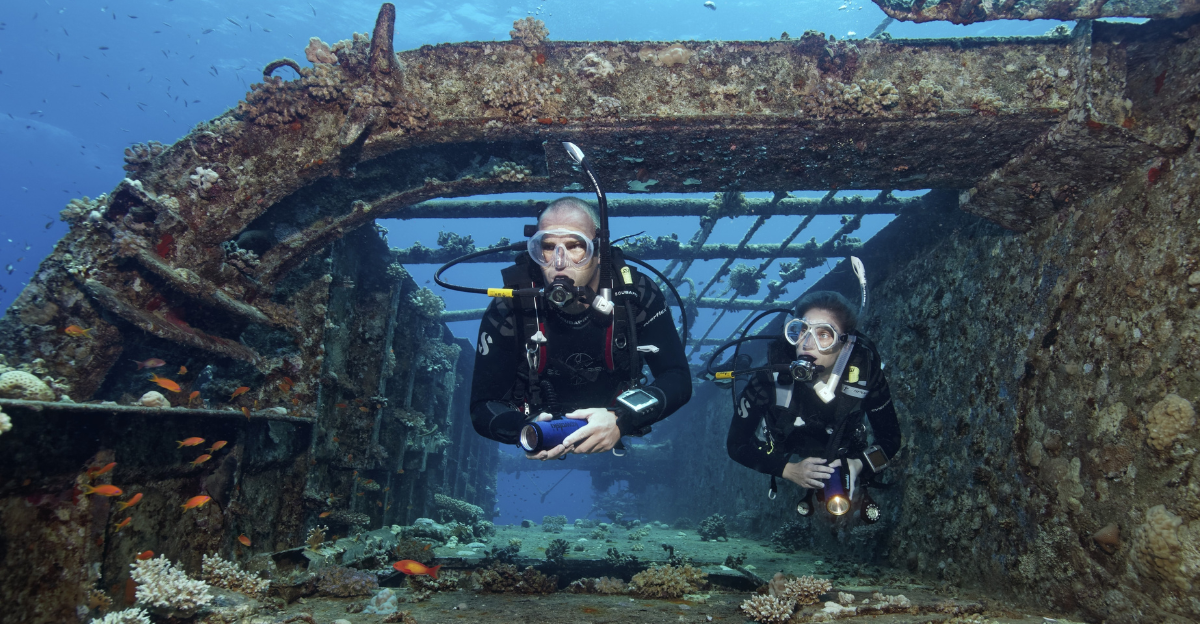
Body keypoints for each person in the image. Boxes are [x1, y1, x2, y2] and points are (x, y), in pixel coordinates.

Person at [470, 197, 692, 460]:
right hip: (541, 421)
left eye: (575, 246)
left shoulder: (636, 294)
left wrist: (622, 419)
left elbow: (677, 377)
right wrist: (525, 430)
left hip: (615, 411)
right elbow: (482, 406)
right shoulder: (510, 306)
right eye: (548, 247)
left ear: (599, 251)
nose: (559, 263)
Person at [726, 290, 900, 520]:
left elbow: (891, 439)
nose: (807, 343)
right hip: (787, 445)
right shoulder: (768, 380)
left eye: (824, 334)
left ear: (845, 344)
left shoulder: (866, 377)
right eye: (803, 330)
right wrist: (787, 470)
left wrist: (859, 465)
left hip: (843, 445)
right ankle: (739, 364)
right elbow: (737, 445)